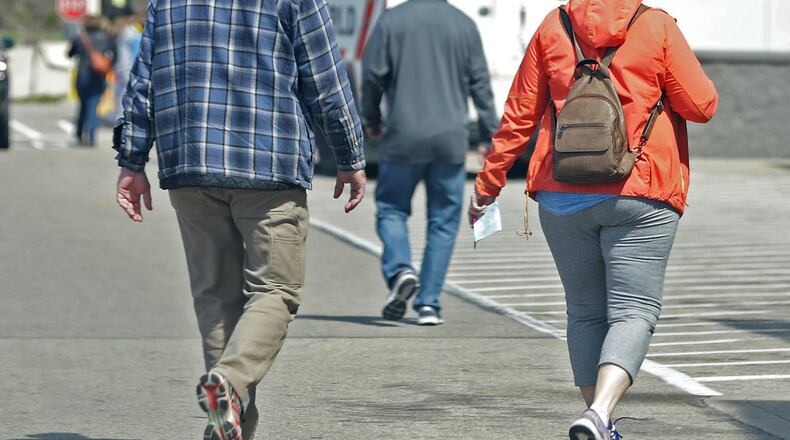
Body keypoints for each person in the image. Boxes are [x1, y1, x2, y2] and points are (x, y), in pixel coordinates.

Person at [113, 0, 366, 438]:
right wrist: (350, 155)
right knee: (275, 290)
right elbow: (326, 78)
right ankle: (227, 384)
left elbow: (144, 81)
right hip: (269, 163)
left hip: (189, 160)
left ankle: (226, 425)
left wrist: (132, 159)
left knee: (215, 297)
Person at [471, 0, 718, 439]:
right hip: (641, 190)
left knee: (585, 312)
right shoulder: (656, 26)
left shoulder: (554, 25)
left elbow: (520, 115)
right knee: (633, 310)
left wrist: (488, 184)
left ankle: (595, 419)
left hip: (562, 193)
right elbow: (701, 105)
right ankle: (600, 413)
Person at [361, 0, 499, 326]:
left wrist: (370, 118)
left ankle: (400, 271)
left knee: (392, 210)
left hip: (402, 138)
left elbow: (371, 77)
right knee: (443, 222)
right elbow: (480, 83)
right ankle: (428, 304)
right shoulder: (464, 24)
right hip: (449, 140)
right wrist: (491, 135)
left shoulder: (391, 21)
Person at [68, 15, 115, 146]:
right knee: (93, 105)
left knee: (83, 104)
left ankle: (79, 131)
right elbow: (114, 54)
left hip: (82, 74)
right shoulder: (106, 38)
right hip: (98, 75)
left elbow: (70, 54)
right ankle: (92, 134)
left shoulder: (81, 38)